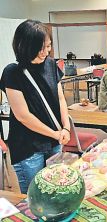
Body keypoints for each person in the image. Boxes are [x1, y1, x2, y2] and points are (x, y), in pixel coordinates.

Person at [0, 20, 70, 194]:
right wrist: (55, 133)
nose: (46, 51)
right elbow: (23, 115)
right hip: (28, 146)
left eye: (48, 46)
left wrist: (66, 128)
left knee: (55, 190)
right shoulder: (12, 72)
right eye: (41, 48)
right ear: (25, 46)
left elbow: (60, 98)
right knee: (35, 196)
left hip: (55, 141)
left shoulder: (51, 64)